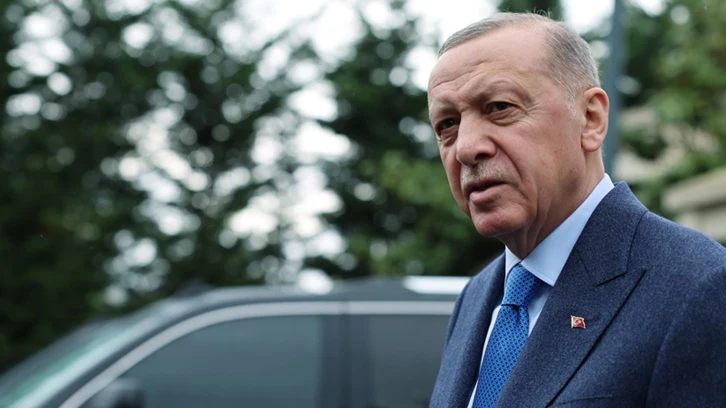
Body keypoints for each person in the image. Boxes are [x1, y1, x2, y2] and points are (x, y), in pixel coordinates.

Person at [427, 12, 726, 408]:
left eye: (499, 107)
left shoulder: (698, 285)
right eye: (447, 124)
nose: (466, 147)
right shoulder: (477, 297)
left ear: (590, 119)